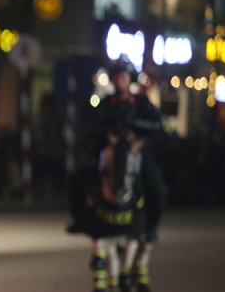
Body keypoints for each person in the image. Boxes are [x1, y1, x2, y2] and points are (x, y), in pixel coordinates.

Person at [68, 62, 167, 239]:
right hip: (108, 153)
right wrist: (108, 134)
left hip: (136, 152)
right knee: (78, 178)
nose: (120, 80)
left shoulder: (142, 103)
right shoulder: (105, 103)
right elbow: (91, 124)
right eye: (117, 77)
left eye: (124, 77)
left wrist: (134, 131)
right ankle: (80, 219)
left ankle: (151, 226)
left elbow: (157, 125)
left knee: (158, 188)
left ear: (130, 80)